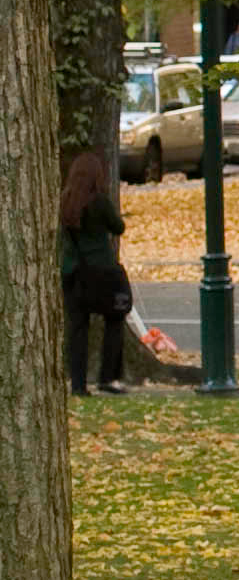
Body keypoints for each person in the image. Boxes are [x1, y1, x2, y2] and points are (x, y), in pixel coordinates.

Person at [57, 145, 129, 394]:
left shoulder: (64, 201)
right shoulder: (99, 202)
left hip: (72, 272)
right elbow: (118, 227)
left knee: (78, 328)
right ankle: (107, 377)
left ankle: (78, 384)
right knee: (115, 317)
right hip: (101, 272)